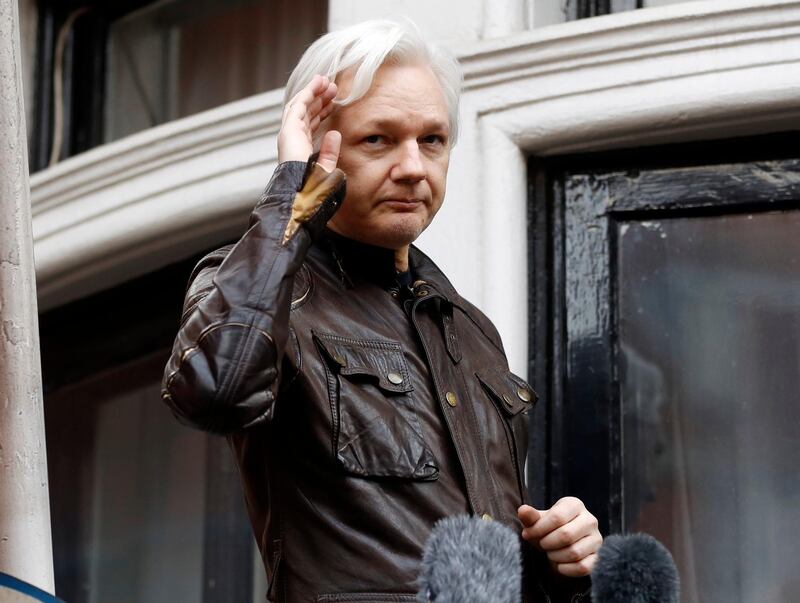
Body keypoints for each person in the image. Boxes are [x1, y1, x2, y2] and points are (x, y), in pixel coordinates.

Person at [162, 19, 602, 603]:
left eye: (433, 140)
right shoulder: (256, 282)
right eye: (379, 140)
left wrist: (556, 559)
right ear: (321, 146)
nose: (414, 167)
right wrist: (293, 196)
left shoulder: (468, 328)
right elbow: (214, 389)